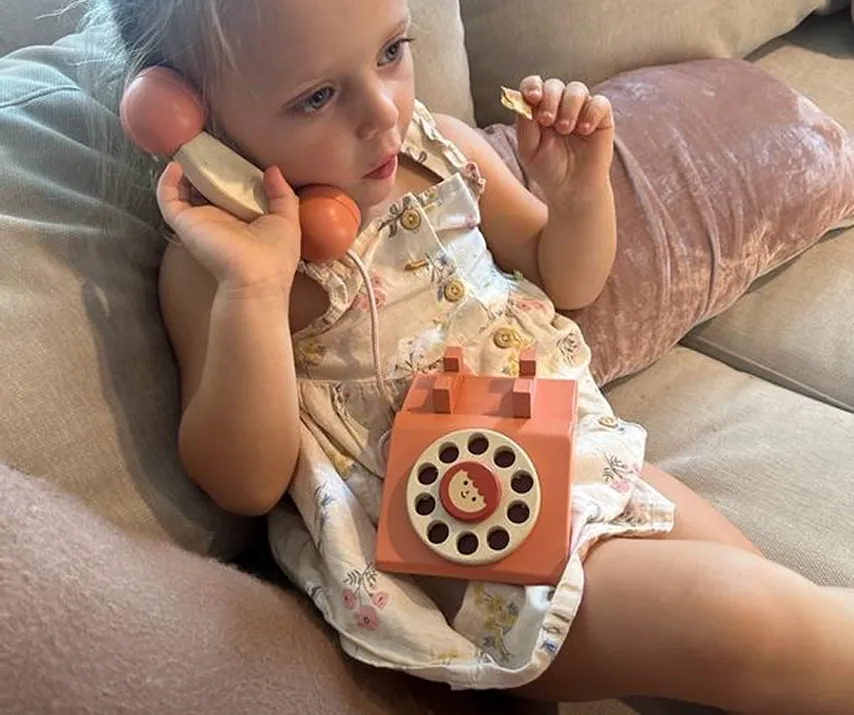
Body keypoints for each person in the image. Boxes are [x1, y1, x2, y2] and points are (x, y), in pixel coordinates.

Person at [100, 0, 854, 712]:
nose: (384, 111)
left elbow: (569, 279)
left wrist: (580, 192)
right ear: (187, 121)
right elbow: (245, 481)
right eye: (318, 97)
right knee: (745, 621)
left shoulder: (441, 149)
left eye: (392, 52)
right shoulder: (219, 268)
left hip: (575, 453)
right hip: (471, 556)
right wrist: (254, 292)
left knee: (775, 631)